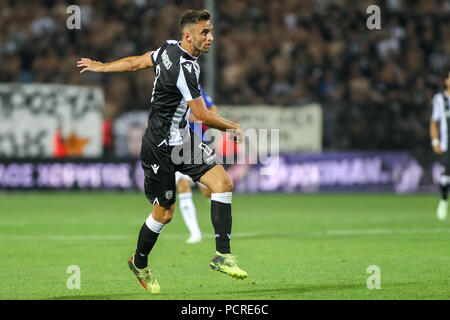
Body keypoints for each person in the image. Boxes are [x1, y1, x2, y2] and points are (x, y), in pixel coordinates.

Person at [77, 9, 248, 294]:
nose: (210, 37)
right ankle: (139, 262)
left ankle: (222, 255)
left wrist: (104, 66)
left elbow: (137, 62)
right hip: (158, 147)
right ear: (188, 35)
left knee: (223, 183)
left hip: (181, 140)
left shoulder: (168, 48)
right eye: (204, 32)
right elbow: (202, 115)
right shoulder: (185, 68)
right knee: (164, 213)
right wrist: (232, 127)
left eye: (210, 31)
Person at [176, 85, 218, 244]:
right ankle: (195, 233)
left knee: (207, 191)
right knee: (182, 186)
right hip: (175, 146)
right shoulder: (167, 88)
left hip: (197, 144)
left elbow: (213, 112)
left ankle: (220, 218)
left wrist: (193, 117)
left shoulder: (196, 90)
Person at [430, 71, 450, 221]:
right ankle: (443, 201)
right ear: (446, 81)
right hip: (446, 143)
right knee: (446, 174)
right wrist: (435, 141)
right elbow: (434, 122)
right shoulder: (439, 99)